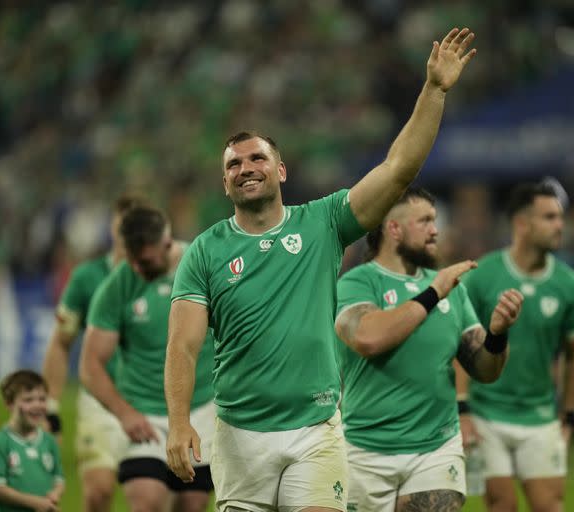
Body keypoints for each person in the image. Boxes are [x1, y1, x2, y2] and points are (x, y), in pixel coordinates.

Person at [165, 26, 478, 512]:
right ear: (225, 182)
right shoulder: (205, 252)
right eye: (233, 165)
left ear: (281, 170)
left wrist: (434, 90)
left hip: (316, 430)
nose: (246, 168)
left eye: (257, 158)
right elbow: (183, 347)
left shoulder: (324, 223)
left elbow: (398, 169)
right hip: (239, 435)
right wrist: (180, 421)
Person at [334, 188, 523, 511]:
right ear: (394, 229)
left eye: (434, 221)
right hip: (365, 450)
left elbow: (485, 369)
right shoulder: (358, 283)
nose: (435, 230)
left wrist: (497, 335)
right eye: (424, 221)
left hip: (435, 448)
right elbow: (369, 337)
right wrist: (433, 292)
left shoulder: (451, 289)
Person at [459, 181, 574, 512]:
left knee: (550, 506)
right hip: (487, 415)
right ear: (521, 224)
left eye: (559, 217)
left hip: (541, 416)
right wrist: (463, 411)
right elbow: (460, 351)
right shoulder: (482, 276)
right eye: (549, 217)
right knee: (502, 506)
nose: (559, 225)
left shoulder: (569, 285)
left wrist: (569, 417)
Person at [80, 205, 216, 512]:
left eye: (145, 262)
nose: (136, 269)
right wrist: (124, 413)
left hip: (202, 409)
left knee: (191, 503)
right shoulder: (119, 284)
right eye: (131, 260)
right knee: (147, 500)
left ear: (167, 244)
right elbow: (90, 365)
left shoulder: (204, 264)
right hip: (144, 413)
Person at [41, 194, 145, 511]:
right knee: (98, 492)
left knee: (149, 498)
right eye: (121, 223)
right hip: (99, 399)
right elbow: (61, 342)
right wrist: (51, 408)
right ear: (111, 228)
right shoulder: (87, 278)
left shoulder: (165, 276)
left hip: (150, 401)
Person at [0, 370, 65, 512]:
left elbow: (58, 479)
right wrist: (34, 503)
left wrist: (55, 494)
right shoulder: (1, 442)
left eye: (42, 399)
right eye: (28, 400)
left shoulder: (49, 441)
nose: (37, 405)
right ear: (9, 404)